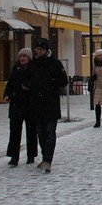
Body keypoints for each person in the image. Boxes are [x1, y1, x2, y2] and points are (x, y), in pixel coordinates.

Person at [24, 38, 68, 173]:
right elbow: (26, 80)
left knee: (49, 132)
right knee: (41, 133)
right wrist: (29, 84)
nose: (38, 51)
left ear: (46, 50)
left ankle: (48, 159)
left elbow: (64, 81)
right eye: (36, 49)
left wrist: (50, 81)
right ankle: (44, 157)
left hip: (51, 104)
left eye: (41, 49)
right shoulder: (33, 64)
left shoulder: (55, 64)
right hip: (36, 103)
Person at [4, 47, 37, 166]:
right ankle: (14, 156)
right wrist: (7, 94)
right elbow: (10, 83)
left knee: (31, 131)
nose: (22, 58)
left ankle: (31, 155)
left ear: (29, 58)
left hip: (29, 104)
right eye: (20, 56)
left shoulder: (33, 69)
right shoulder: (15, 69)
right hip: (16, 103)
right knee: (14, 132)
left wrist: (30, 87)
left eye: (24, 56)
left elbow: (37, 84)